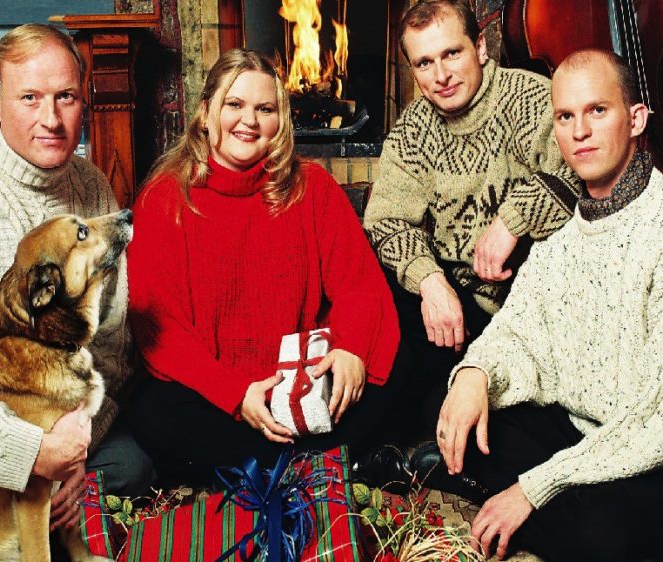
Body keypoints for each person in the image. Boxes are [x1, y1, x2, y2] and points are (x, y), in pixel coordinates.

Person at [126, 48, 409, 489]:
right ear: (205, 113)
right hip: (218, 395)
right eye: (234, 105)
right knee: (153, 412)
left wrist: (351, 351)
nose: (249, 121)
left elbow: (359, 285)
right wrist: (236, 394)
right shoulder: (164, 198)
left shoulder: (313, 187)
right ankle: (319, 465)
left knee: (395, 346)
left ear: (281, 121)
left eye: (265, 109)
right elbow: (161, 332)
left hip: (303, 385)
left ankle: (275, 468)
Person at [435, 49, 663, 561]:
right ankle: (536, 499)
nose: (580, 131)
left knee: (605, 538)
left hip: (649, 449)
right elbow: (515, 332)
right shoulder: (561, 239)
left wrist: (534, 488)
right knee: (453, 407)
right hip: (581, 434)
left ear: (635, 120)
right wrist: (474, 374)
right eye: (565, 116)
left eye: (597, 110)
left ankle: (503, 497)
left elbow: (655, 417)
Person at [0, 24, 154, 534]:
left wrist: (74, 448)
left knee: (132, 467)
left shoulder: (90, 184)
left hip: (66, 414)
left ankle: (50, 510)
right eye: (29, 98)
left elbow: (112, 340)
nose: (51, 119)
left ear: (83, 101)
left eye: (65, 97)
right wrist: (29, 454)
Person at [363, 0, 581, 426]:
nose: (441, 76)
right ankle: (338, 445)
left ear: (480, 47)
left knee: (425, 397)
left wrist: (513, 220)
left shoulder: (529, 97)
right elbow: (386, 220)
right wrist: (430, 281)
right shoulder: (413, 129)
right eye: (424, 63)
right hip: (460, 301)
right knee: (379, 305)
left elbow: (581, 174)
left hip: (532, 307)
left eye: (452, 53)